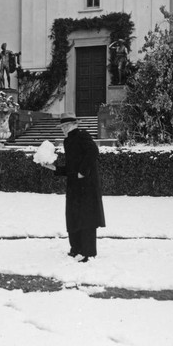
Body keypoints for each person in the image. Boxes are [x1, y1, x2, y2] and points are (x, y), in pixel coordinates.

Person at [42, 112, 105, 263]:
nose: (63, 129)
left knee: (87, 218)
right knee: (74, 216)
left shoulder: (82, 135)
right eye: (62, 126)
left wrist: (83, 172)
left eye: (65, 126)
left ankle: (88, 252)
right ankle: (75, 248)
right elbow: (71, 167)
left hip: (87, 186)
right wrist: (55, 169)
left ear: (73, 125)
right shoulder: (68, 141)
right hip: (74, 186)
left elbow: (93, 152)